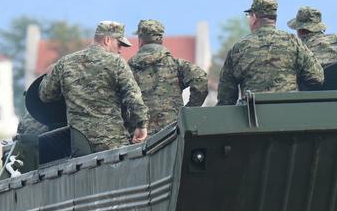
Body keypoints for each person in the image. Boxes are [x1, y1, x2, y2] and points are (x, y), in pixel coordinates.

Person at [38, 20, 148, 153]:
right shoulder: (117, 63)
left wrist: (48, 75)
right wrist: (141, 125)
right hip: (112, 142)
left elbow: (45, 95)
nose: (120, 50)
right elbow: (133, 96)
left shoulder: (65, 63)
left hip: (78, 144)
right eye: (119, 44)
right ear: (107, 40)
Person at [215, 0, 323, 105]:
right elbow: (316, 78)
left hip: (252, 117)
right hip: (290, 113)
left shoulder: (239, 48)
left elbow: (226, 97)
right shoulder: (294, 42)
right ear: (274, 19)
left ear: (254, 17)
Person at [128, 19, 209, 131]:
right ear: (161, 39)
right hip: (171, 132)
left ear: (140, 40)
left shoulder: (127, 69)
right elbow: (201, 80)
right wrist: (189, 111)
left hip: (139, 133)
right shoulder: (176, 65)